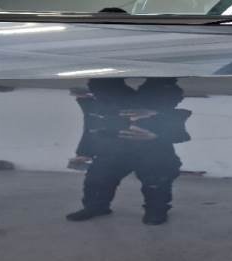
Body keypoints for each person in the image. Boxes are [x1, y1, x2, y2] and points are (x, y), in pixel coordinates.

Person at [66, 78, 191, 225]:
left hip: (151, 149)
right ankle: (96, 207)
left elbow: (180, 127)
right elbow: (91, 129)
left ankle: (156, 211)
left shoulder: (105, 104)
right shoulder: (99, 109)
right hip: (116, 149)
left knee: (156, 178)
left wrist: (156, 121)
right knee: (98, 178)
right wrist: (84, 153)